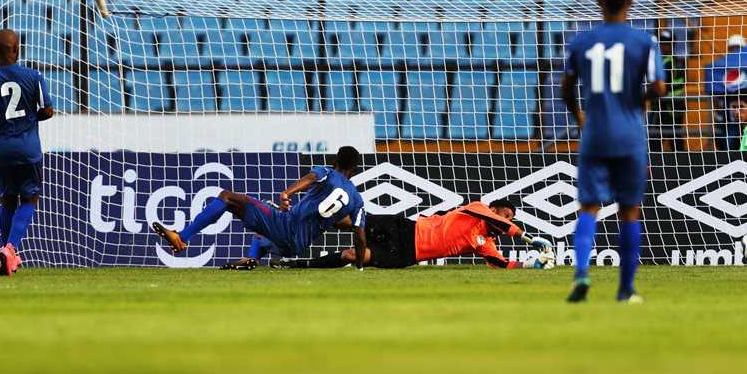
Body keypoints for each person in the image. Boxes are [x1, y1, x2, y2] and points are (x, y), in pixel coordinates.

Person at [561, 0, 666, 303]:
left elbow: (565, 86)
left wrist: (578, 115)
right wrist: (642, 101)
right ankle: (625, 289)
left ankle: (581, 274)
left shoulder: (582, 42)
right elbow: (661, 87)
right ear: (630, 3)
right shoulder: (645, 41)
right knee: (629, 211)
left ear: (599, 2)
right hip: (630, 135)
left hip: (594, 135)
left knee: (588, 207)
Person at [154, 146, 369, 270]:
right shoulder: (356, 200)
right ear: (356, 169)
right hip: (295, 247)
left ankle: (182, 237)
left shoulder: (327, 173)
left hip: (285, 227)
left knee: (227, 197)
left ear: (334, 162)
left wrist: (287, 193)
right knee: (260, 236)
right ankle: (252, 258)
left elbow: (311, 177)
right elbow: (359, 234)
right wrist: (359, 266)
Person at [0, 29, 55, 276]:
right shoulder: (33, 76)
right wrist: (30, 119)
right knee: (30, 199)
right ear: (16, 49)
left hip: (2, 148)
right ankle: (11, 247)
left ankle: (5, 258)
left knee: (7, 199)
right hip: (29, 149)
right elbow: (48, 110)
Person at [281, 199, 554, 270]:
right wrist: (527, 238)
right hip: (406, 228)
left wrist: (529, 263)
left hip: (407, 254)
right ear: (495, 209)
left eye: (509, 220)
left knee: (354, 255)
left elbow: (502, 264)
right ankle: (298, 218)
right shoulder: (478, 209)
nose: (506, 221)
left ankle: (295, 265)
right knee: (352, 222)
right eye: (505, 215)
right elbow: (493, 218)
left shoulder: (485, 243)